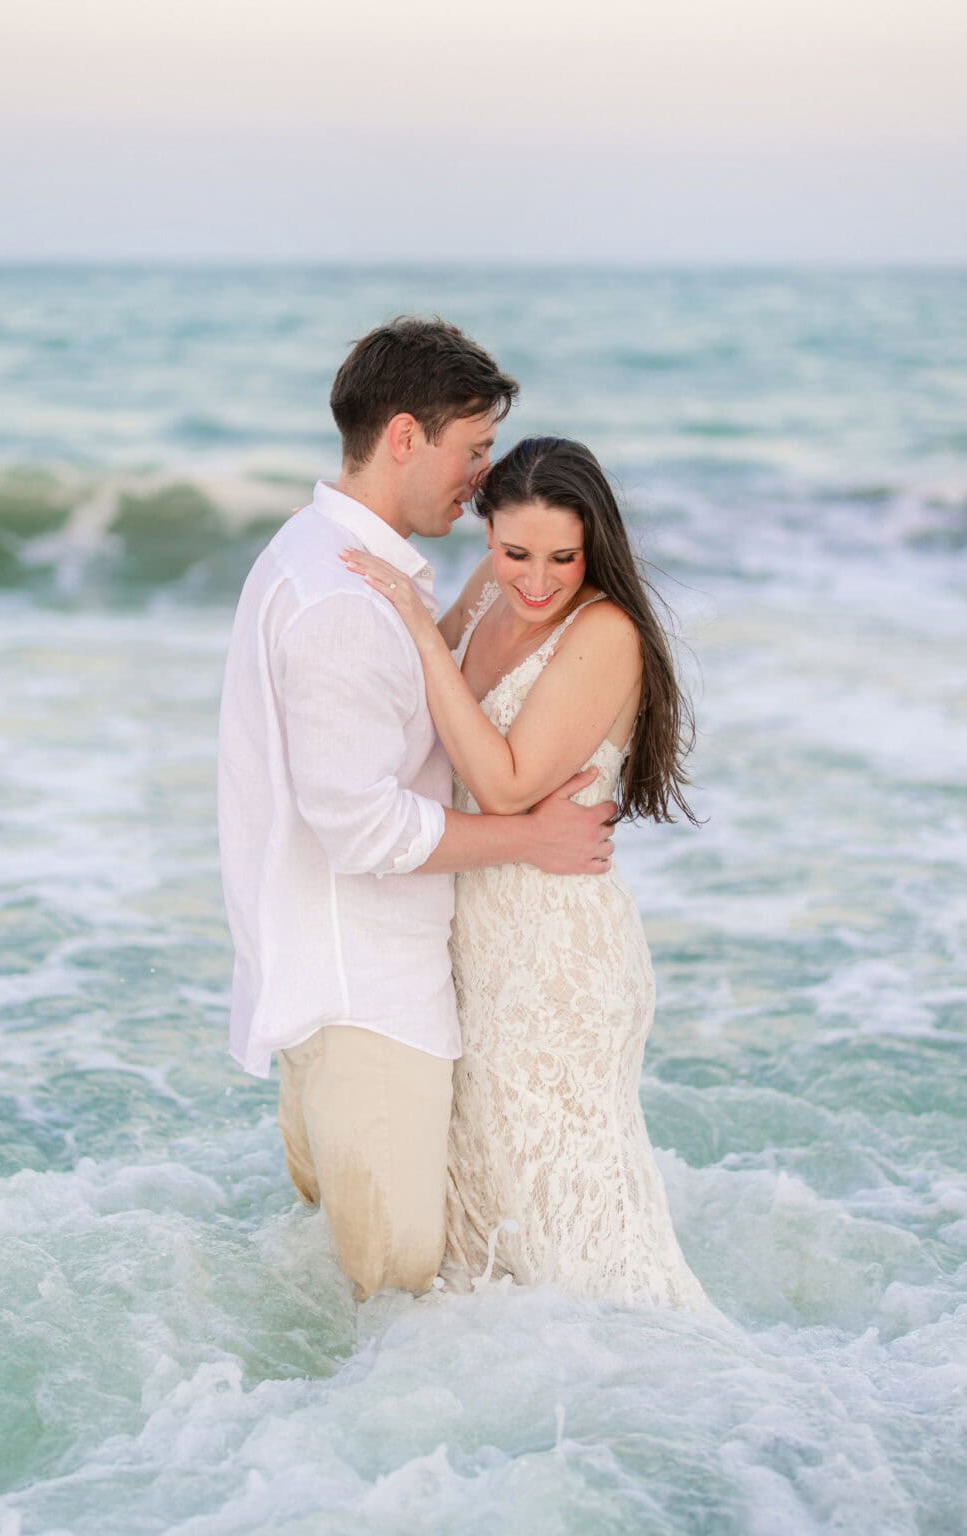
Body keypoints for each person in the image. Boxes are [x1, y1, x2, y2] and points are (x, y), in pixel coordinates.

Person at [218, 322, 617, 1302]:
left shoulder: (310, 554)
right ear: (405, 435)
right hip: (370, 1006)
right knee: (400, 1300)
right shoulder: (345, 603)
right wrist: (533, 836)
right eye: (472, 449)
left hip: (323, 986)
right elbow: (361, 829)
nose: (482, 477)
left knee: (355, 1300)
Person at [341, 435, 712, 1311]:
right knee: (490, 1182)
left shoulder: (606, 631)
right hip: (474, 932)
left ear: (595, 550)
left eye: (563, 558)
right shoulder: (481, 601)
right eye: (515, 554)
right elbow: (413, 714)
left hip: (558, 955)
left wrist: (419, 634)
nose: (537, 581)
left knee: (571, 1203)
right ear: (485, 533)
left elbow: (506, 783)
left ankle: (650, 1385)